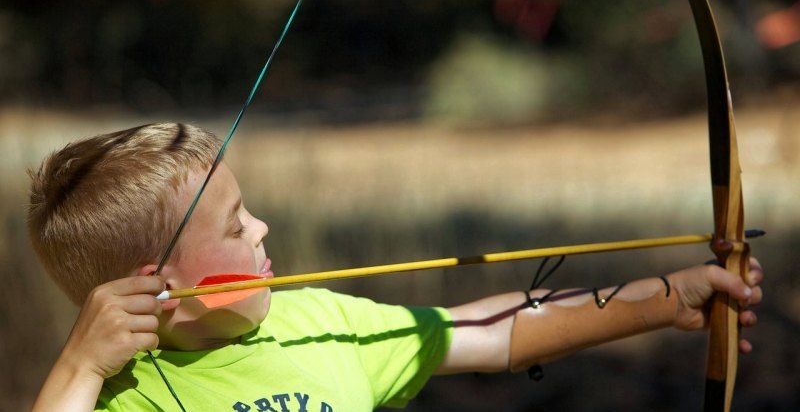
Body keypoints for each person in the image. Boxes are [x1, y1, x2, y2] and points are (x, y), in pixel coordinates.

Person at [27, 123, 763, 411]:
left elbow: (490, 331)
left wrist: (667, 297)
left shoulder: (318, 322)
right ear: (162, 288)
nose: (263, 227)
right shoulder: (125, 395)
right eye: (235, 223)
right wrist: (80, 368)